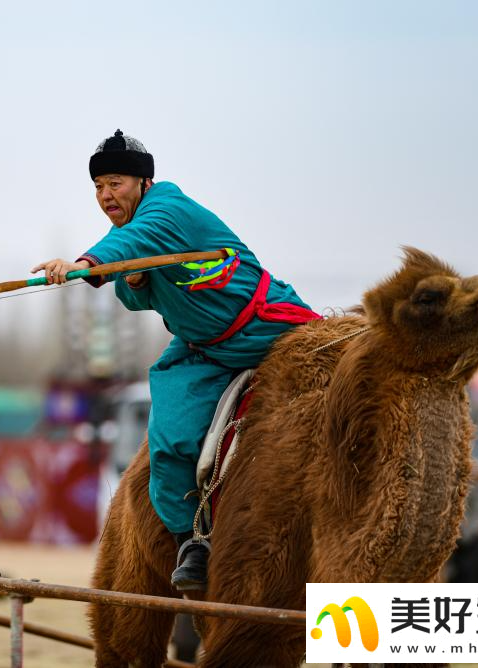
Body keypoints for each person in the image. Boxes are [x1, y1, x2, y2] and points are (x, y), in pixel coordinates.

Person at [32, 130, 319, 591]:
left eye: (116, 183)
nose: (106, 195)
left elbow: (129, 245)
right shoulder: (128, 232)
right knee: (168, 441)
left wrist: (83, 263)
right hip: (201, 349)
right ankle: (193, 542)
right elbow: (130, 285)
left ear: (144, 183)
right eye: (99, 187)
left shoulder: (169, 209)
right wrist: (136, 279)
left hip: (268, 329)